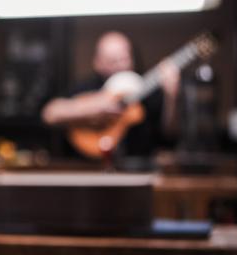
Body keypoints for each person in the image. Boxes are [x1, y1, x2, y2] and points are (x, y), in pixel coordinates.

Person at [40, 31, 180, 159]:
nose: (121, 65)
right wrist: (94, 107)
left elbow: (169, 134)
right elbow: (49, 113)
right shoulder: (88, 87)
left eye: (125, 58)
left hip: (138, 169)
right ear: (98, 63)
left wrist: (171, 97)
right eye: (113, 61)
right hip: (89, 169)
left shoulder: (144, 88)